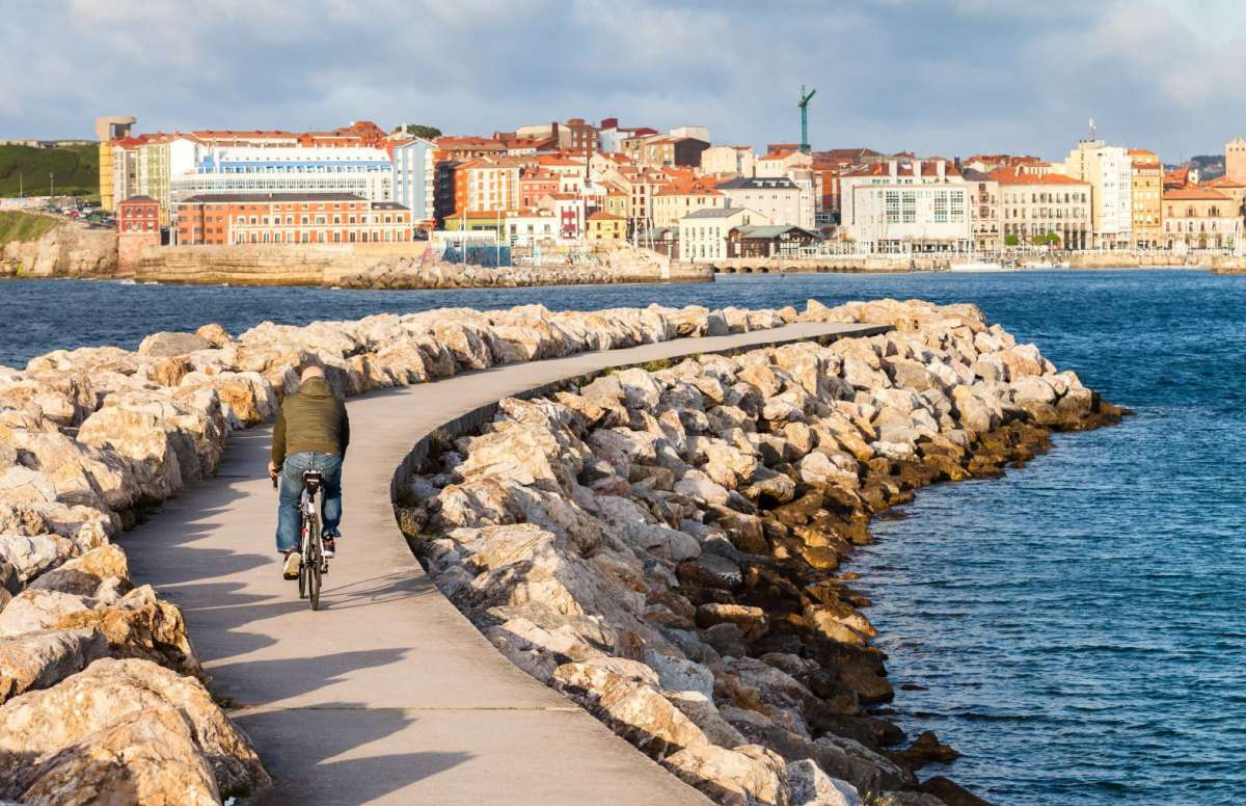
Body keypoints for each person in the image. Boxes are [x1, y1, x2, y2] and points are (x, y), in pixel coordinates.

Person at [269, 363, 350, 580]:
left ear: (302, 383)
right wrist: (337, 460)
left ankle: (291, 550)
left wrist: (275, 464)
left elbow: (279, 439)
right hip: (329, 458)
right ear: (325, 381)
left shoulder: (290, 401)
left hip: (297, 459)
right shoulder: (337, 402)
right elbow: (344, 438)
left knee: (289, 503)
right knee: (332, 491)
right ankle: (328, 537)